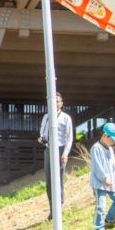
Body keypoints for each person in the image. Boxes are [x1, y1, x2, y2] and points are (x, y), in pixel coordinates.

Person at [37, 92, 73, 221]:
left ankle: (59, 207)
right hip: (48, 148)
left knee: (58, 179)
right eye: (53, 101)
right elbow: (42, 130)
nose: (55, 103)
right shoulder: (46, 117)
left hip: (60, 149)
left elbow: (69, 137)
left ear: (62, 103)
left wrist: (65, 153)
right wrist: (42, 138)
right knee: (49, 180)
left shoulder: (66, 117)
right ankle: (52, 209)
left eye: (58, 101)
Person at [89, 123, 115, 230]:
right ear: (105, 135)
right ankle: (98, 229)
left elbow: (114, 164)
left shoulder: (110, 149)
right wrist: (103, 178)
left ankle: (110, 219)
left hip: (111, 181)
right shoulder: (96, 148)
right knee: (101, 206)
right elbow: (97, 165)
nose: (113, 142)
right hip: (100, 184)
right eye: (112, 139)